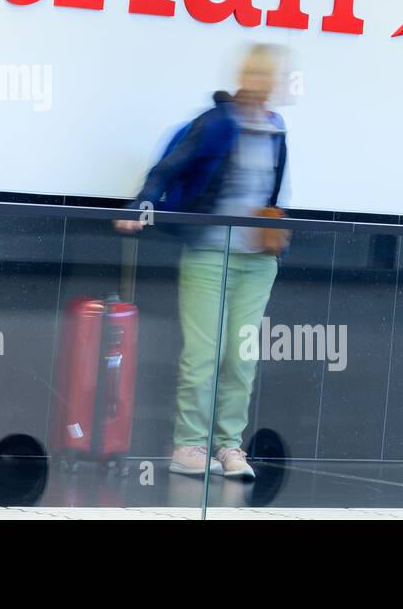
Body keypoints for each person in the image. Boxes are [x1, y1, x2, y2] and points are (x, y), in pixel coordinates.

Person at [116, 44, 289, 480]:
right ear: (247, 77)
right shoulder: (216, 124)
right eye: (262, 75)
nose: (269, 84)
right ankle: (189, 444)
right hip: (211, 253)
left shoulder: (276, 128)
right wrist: (142, 206)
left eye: (274, 76)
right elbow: (169, 168)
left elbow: (273, 192)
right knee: (203, 352)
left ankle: (229, 445)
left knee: (241, 356)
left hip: (256, 260)